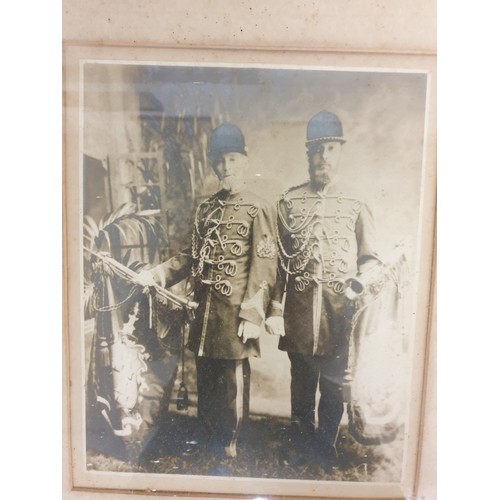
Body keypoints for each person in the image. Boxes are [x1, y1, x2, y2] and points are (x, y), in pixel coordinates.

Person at [137, 122, 278, 459]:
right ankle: (209, 438)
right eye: (220, 160)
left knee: (231, 382)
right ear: (214, 164)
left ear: (244, 161)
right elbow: (191, 256)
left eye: (232, 159)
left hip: (235, 313)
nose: (226, 167)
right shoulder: (205, 209)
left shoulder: (259, 207)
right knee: (208, 379)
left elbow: (265, 265)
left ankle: (229, 443)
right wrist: (158, 274)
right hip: (204, 312)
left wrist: (253, 313)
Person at [265, 110, 380, 470]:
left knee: (331, 386)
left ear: (340, 153)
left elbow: (371, 260)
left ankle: (325, 444)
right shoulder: (289, 202)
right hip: (299, 313)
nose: (323, 157)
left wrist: (360, 287)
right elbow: (279, 263)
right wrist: (275, 309)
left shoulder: (356, 203)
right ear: (308, 154)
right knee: (301, 382)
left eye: (330, 149)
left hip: (338, 315)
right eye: (317, 150)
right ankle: (301, 441)